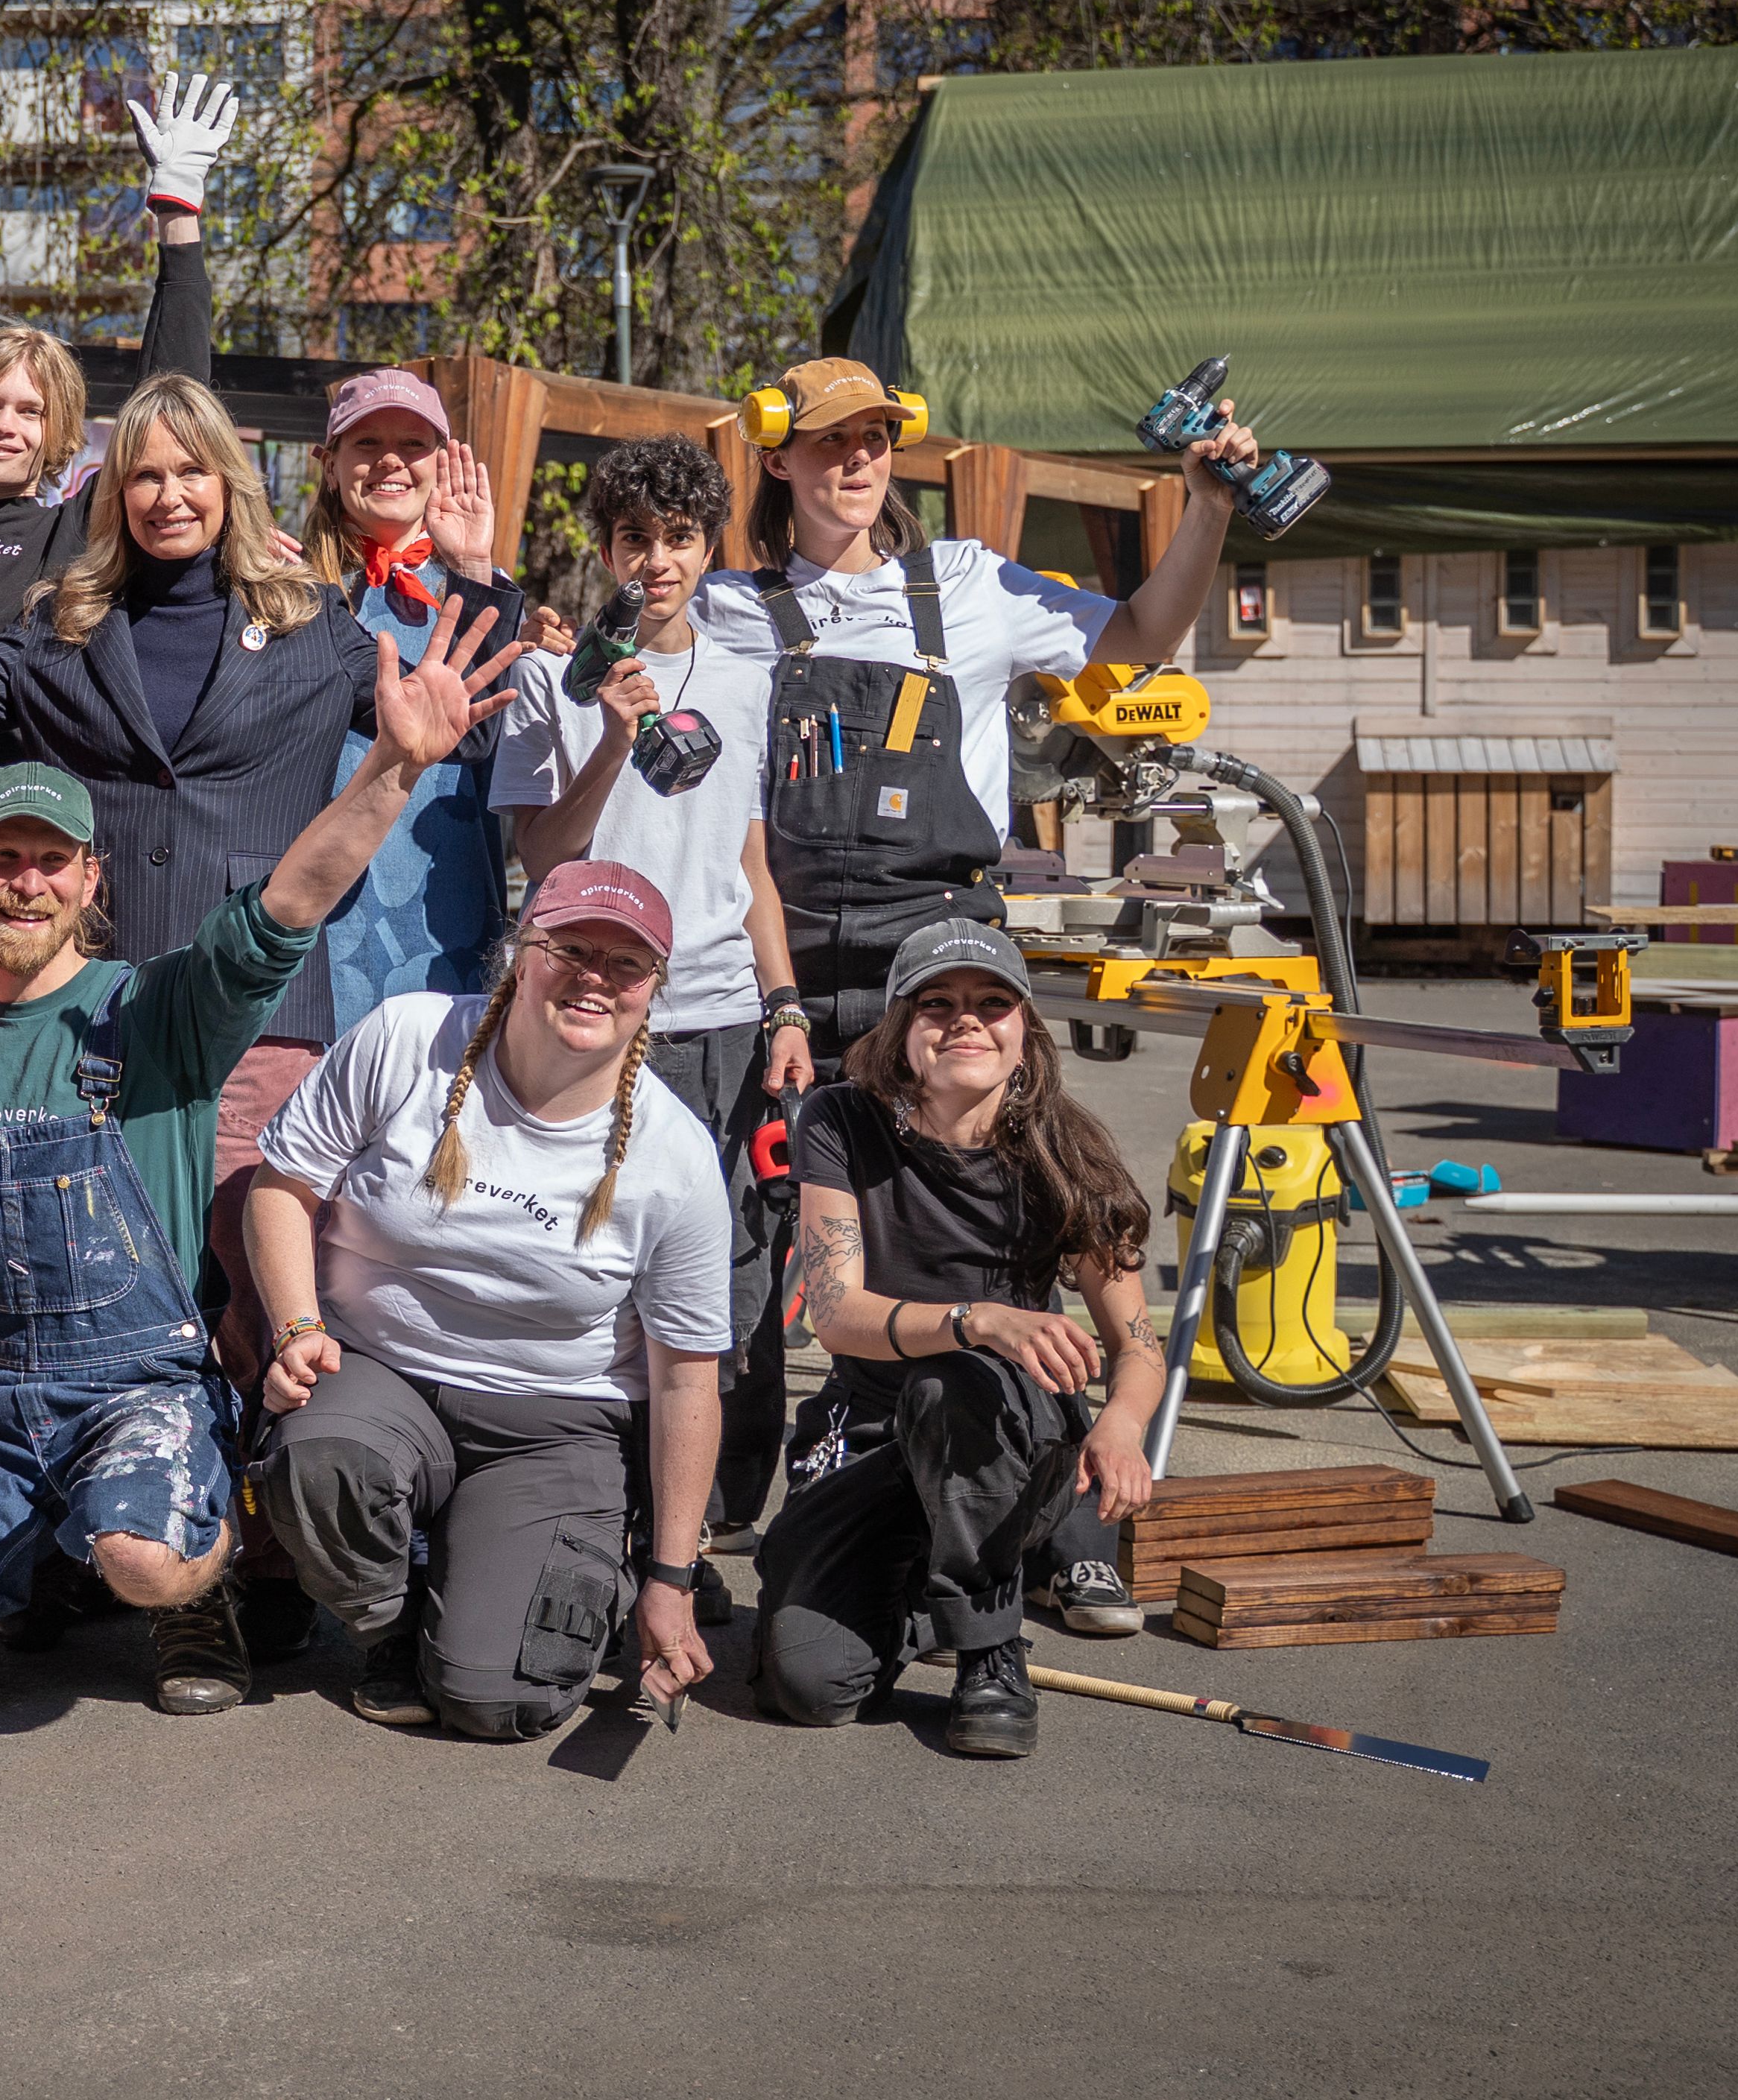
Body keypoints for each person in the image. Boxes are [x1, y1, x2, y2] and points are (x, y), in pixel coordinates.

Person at [0, 602, 514, 1727]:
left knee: (142, 1558)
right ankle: (9, 1549)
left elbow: (287, 904)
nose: (26, 883)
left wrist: (391, 767)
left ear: (91, 881)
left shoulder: (157, 1010)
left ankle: (187, 1541)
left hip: (137, 1391)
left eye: (51, 861)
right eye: (2, 860)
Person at [688, 350, 1252, 1618]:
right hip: (777, 961)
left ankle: (1044, 1497)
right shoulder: (726, 609)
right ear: (774, 452)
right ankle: (727, 1506)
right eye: (828, 439)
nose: (855, 459)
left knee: (987, 1222)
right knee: (742, 1242)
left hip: (939, 962)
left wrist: (1206, 506)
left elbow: (1140, 633)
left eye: (875, 438)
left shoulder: (969, 585)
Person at [239, 864, 736, 1740]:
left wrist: (670, 1577)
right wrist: (296, 1327)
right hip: (377, 1370)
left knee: (497, 1700)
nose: (594, 977)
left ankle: (538, 1564)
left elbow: (687, 1378)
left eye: (625, 963)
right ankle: (390, 1620)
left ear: (652, 988)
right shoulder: (406, 1036)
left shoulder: (676, 1154)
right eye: (569, 948)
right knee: (320, 1460)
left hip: (556, 1419)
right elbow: (280, 1187)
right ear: (518, 953)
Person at [489, 437, 791, 1567]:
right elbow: (541, 855)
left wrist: (785, 1005)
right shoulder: (554, 679)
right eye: (633, 540)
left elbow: (751, 864)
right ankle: (598, 1506)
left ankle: (703, 1517)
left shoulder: (747, 677)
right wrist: (612, 737)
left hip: (721, 1011)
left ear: (709, 548)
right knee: (596, 1257)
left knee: (726, 1269)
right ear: (604, 549)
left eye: (677, 538)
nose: (655, 562)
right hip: (592, 1008)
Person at [755, 920, 1163, 1758]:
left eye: (991, 1002)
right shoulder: (839, 1119)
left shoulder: (1067, 1149)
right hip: (872, 1433)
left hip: (1004, 1432)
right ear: (899, 1030)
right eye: (935, 1003)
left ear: (1024, 1031)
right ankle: (939, 1587)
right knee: (809, 1685)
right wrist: (975, 1317)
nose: (964, 1020)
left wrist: (1121, 1425)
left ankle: (988, 1646)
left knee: (954, 1384)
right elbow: (834, 1312)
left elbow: (1137, 1344)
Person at [0, 78, 234, 1022]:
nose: (3, 423)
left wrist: (177, 220)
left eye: (29, 410)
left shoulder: (73, 532)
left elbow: (172, 403)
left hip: (28, 863)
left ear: (60, 433)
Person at [288, 366, 516, 1150]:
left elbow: (487, 751)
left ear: (442, 460)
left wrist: (474, 570)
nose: (390, 460)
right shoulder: (286, 588)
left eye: (412, 444)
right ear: (328, 464)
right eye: (367, 443)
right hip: (321, 931)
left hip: (446, 919)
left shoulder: (487, 586)